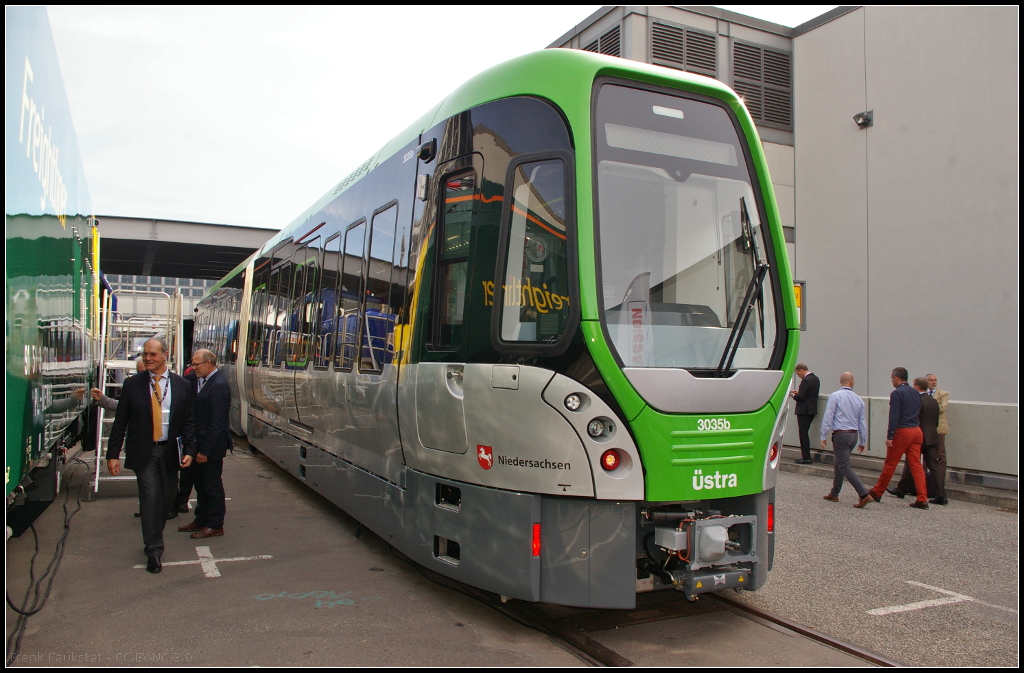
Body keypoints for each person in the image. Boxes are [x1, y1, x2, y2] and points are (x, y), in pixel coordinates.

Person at [106, 338, 195, 573]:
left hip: (170, 451)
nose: (147, 358)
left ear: (165, 355)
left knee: (167, 500)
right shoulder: (132, 385)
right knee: (150, 498)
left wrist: (190, 450)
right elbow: (120, 421)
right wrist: (112, 453)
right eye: (145, 354)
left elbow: (188, 422)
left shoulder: (182, 385)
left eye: (153, 354)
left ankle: (156, 532)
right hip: (144, 450)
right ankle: (154, 549)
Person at [177, 349, 231, 539]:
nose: (193, 368)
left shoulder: (219, 385)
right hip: (200, 445)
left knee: (212, 485)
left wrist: (205, 450)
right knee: (200, 484)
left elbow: (217, 422)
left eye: (196, 364)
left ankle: (215, 524)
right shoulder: (205, 381)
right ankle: (201, 519)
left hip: (211, 448)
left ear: (208, 363)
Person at [857, 367, 928, 509]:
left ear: (896, 377)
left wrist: (890, 436)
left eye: (891, 378)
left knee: (890, 463)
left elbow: (894, 416)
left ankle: (877, 491)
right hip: (916, 429)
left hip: (903, 430)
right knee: (916, 465)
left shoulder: (897, 393)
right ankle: (922, 497)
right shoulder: (915, 392)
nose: (891, 381)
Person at [888, 377, 947, 505]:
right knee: (934, 466)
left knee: (911, 463)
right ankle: (942, 495)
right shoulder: (933, 401)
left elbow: (914, 418)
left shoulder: (917, 401)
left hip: (919, 435)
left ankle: (901, 489)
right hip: (932, 436)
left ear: (916, 386)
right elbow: (936, 421)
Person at [819, 372, 870, 502]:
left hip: (841, 434)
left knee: (844, 465)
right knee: (839, 463)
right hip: (854, 435)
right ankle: (834, 492)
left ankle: (863, 494)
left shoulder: (835, 396)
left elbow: (829, 416)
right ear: (852, 382)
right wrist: (863, 440)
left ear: (840, 381)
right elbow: (862, 422)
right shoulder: (859, 399)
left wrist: (823, 434)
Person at [927, 373, 950, 506]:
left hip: (938, 428)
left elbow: (942, 407)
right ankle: (927, 483)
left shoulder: (943, 394)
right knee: (926, 456)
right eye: (931, 380)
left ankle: (940, 484)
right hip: (927, 428)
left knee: (941, 455)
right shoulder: (923, 393)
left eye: (935, 380)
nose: (934, 382)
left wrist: (928, 408)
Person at [790, 364, 820, 464]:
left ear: (802, 370)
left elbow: (800, 397)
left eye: (798, 374)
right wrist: (799, 392)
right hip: (811, 410)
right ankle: (806, 457)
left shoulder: (806, 381)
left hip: (804, 410)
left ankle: (806, 457)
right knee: (805, 432)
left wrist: (793, 395)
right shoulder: (815, 379)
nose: (799, 376)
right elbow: (809, 393)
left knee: (803, 433)